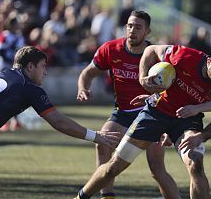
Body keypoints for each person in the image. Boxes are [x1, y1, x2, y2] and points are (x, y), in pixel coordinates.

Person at [74, 44, 211, 199]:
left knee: (196, 165)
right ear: (209, 62)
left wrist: (202, 136)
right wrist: (143, 79)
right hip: (156, 113)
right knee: (114, 167)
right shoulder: (185, 56)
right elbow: (151, 50)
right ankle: (81, 196)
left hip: (187, 121)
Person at [76, 10, 180, 199]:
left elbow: (174, 89)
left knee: (156, 169)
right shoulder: (111, 49)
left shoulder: (157, 58)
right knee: (103, 142)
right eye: (130, 26)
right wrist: (83, 88)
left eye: (138, 27)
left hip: (152, 115)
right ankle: (107, 196)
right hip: (123, 114)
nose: (132, 30)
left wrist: (168, 123)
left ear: (147, 31)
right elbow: (88, 73)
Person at [0, 46, 120, 146]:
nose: (45, 72)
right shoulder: (30, 88)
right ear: (31, 66)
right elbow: (59, 121)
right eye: (43, 66)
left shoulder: (0, 74)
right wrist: (96, 136)